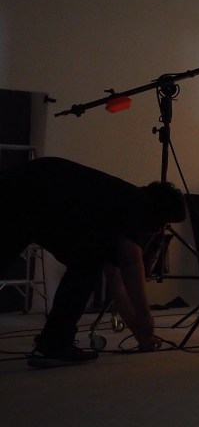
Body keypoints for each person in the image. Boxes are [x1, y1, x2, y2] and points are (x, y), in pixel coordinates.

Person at [0, 157, 186, 368]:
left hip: (20, 189)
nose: (160, 230)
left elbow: (117, 283)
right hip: (34, 191)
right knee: (86, 264)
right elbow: (131, 264)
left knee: (87, 260)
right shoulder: (137, 204)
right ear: (158, 212)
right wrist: (145, 316)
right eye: (165, 222)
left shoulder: (113, 208)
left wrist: (139, 332)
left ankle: (53, 343)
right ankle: (54, 344)